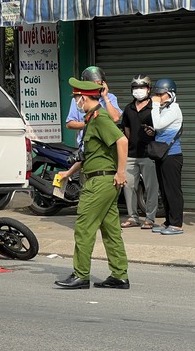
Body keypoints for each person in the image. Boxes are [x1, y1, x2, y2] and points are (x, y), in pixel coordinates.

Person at [54, 77, 129, 290]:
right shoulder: (91, 119)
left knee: (84, 227)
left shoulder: (100, 118)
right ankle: (119, 275)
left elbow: (122, 141)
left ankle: (81, 275)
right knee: (111, 230)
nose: (75, 102)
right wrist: (68, 173)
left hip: (100, 182)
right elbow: (89, 155)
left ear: (83, 98)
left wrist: (121, 172)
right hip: (102, 179)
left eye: (76, 98)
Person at [120, 75, 159, 230]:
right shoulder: (128, 108)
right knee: (129, 187)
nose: (138, 91)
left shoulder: (154, 108)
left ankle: (150, 218)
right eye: (135, 88)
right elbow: (126, 128)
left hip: (149, 154)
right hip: (131, 154)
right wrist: (132, 142)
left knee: (151, 188)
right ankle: (133, 217)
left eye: (141, 87)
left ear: (148, 89)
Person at [150, 78, 184, 236]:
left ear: (170, 94)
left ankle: (176, 224)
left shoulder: (174, 109)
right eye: (156, 94)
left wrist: (155, 105)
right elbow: (158, 127)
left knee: (172, 190)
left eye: (160, 94)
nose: (157, 97)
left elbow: (158, 124)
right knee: (164, 190)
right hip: (162, 154)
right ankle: (168, 222)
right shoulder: (165, 108)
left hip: (172, 156)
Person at [65, 66, 121, 145]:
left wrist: (105, 97)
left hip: (106, 146)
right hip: (86, 145)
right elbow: (69, 124)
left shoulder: (110, 97)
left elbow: (115, 118)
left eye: (98, 82)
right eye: (92, 83)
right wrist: (89, 124)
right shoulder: (79, 100)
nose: (96, 85)